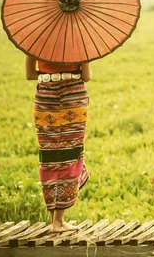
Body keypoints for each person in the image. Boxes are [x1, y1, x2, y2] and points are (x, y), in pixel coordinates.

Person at [25, 55, 92, 232]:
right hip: (74, 98)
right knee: (70, 153)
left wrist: (50, 74)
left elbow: (30, 74)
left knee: (50, 155)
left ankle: (55, 220)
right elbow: (86, 76)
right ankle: (58, 221)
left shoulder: (35, 41)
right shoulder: (78, 41)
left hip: (45, 98)